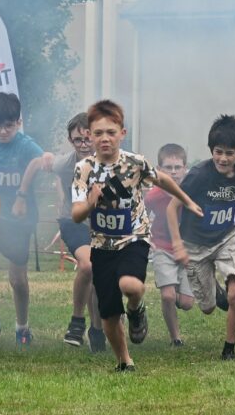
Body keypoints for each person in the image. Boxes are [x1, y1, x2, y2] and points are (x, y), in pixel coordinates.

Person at [70, 100, 201, 372]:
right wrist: (91, 202)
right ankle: (124, 361)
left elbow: (162, 179)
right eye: (98, 133)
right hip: (101, 245)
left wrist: (187, 200)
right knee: (108, 313)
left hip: (134, 238)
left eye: (111, 132)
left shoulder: (135, 163)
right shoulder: (84, 168)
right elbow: (76, 214)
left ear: (122, 133)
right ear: (90, 136)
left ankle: (136, 309)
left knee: (131, 285)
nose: (104, 138)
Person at [168, 115, 235, 361]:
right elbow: (172, 208)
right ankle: (216, 292)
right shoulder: (198, 175)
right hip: (195, 245)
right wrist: (177, 244)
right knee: (207, 308)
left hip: (225, 239)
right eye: (219, 152)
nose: (223, 159)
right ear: (211, 150)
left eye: (229, 153)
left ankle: (229, 349)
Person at [0, 92, 53, 349]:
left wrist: (22, 194)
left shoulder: (25, 145)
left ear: (19, 122)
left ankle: (22, 327)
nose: (3, 131)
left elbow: (42, 159)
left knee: (17, 280)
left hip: (20, 220)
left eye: (9, 125)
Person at [52, 113, 106, 352]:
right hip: (73, 221)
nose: (84, 145)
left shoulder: (111, 162)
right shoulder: (64, 164)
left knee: (101, 277)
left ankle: (97, 330)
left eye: (88, 138)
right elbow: (38, 163)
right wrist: (22, 196)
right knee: (88, 265)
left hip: (104, 223)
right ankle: (76, 322)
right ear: (70, 140)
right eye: (78, 140)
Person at [145, 144, 196, 346]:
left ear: (185, 168)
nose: (173, 172)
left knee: (186, 303)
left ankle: (184, 293)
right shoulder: (153, 195)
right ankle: (176, 338)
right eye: (168, 167)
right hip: (162, 248)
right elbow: (141, 215)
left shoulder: (192, 192)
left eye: (177, 167)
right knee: (167, 296)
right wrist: (146, 237)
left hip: (188, 250)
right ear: (159, 169)